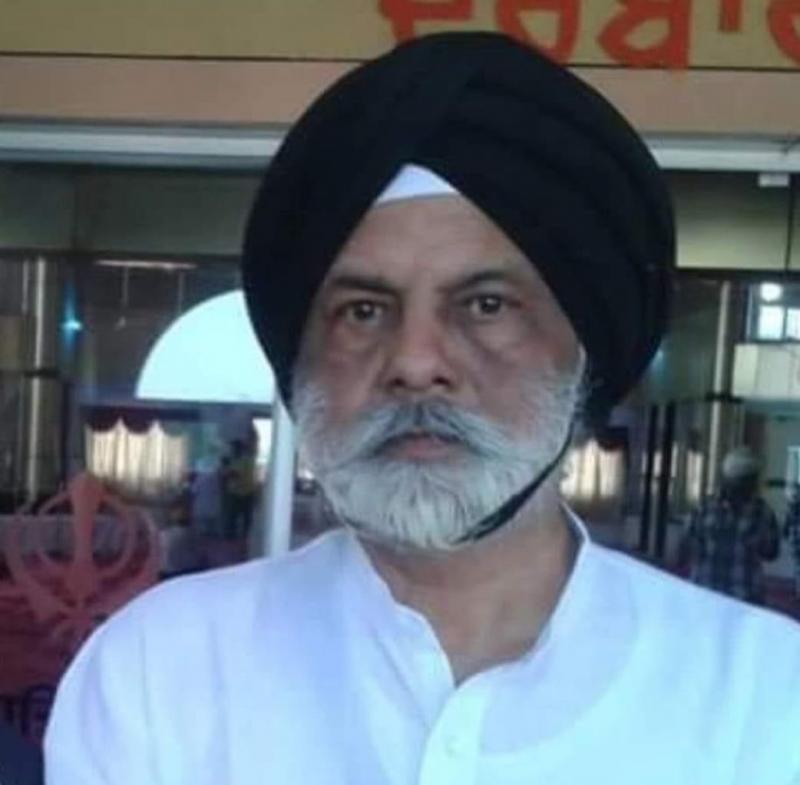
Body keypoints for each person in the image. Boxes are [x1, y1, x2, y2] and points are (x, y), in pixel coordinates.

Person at [45, 33, 800, 784]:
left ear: (584, 352)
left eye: (486, 304)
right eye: (363, 311)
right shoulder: (160, 672)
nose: (414, 362)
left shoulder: (764, 696)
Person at [681, 446, 780, 605]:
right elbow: (684, 546)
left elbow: (772, 552)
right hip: (717, 596)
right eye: (750, 479)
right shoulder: (704, 507)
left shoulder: (762, 512)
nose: (753, 485)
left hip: (736, 598)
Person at [220, 438, 257, 540]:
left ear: (239, 449)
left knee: (241, 517)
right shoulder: (236, 460)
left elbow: (234, 474)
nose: (231, 451)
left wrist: (226, 467)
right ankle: (233, 536)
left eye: (233, 448)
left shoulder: (244, 460)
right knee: (233, 517)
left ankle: (243, 537)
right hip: (237, 492)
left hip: (244, 493)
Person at [785, 482, 800, 599]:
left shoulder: (792, 506)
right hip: (795, 539)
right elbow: (788, 523)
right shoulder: (792, 507)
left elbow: (787, 524)